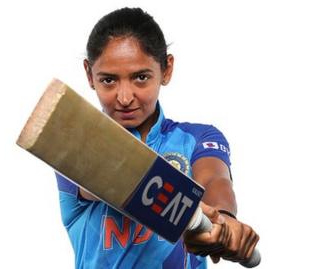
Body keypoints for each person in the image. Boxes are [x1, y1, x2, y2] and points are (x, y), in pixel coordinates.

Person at [55, 7, 259, 269]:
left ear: (166, 69)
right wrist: (199, 216)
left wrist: (223, 221)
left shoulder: (197, 138)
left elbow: (214, 181)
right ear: (89, 74)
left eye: (141, 77)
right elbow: (115, 177)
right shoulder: (72, 146)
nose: (125, 97)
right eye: (108, 80)